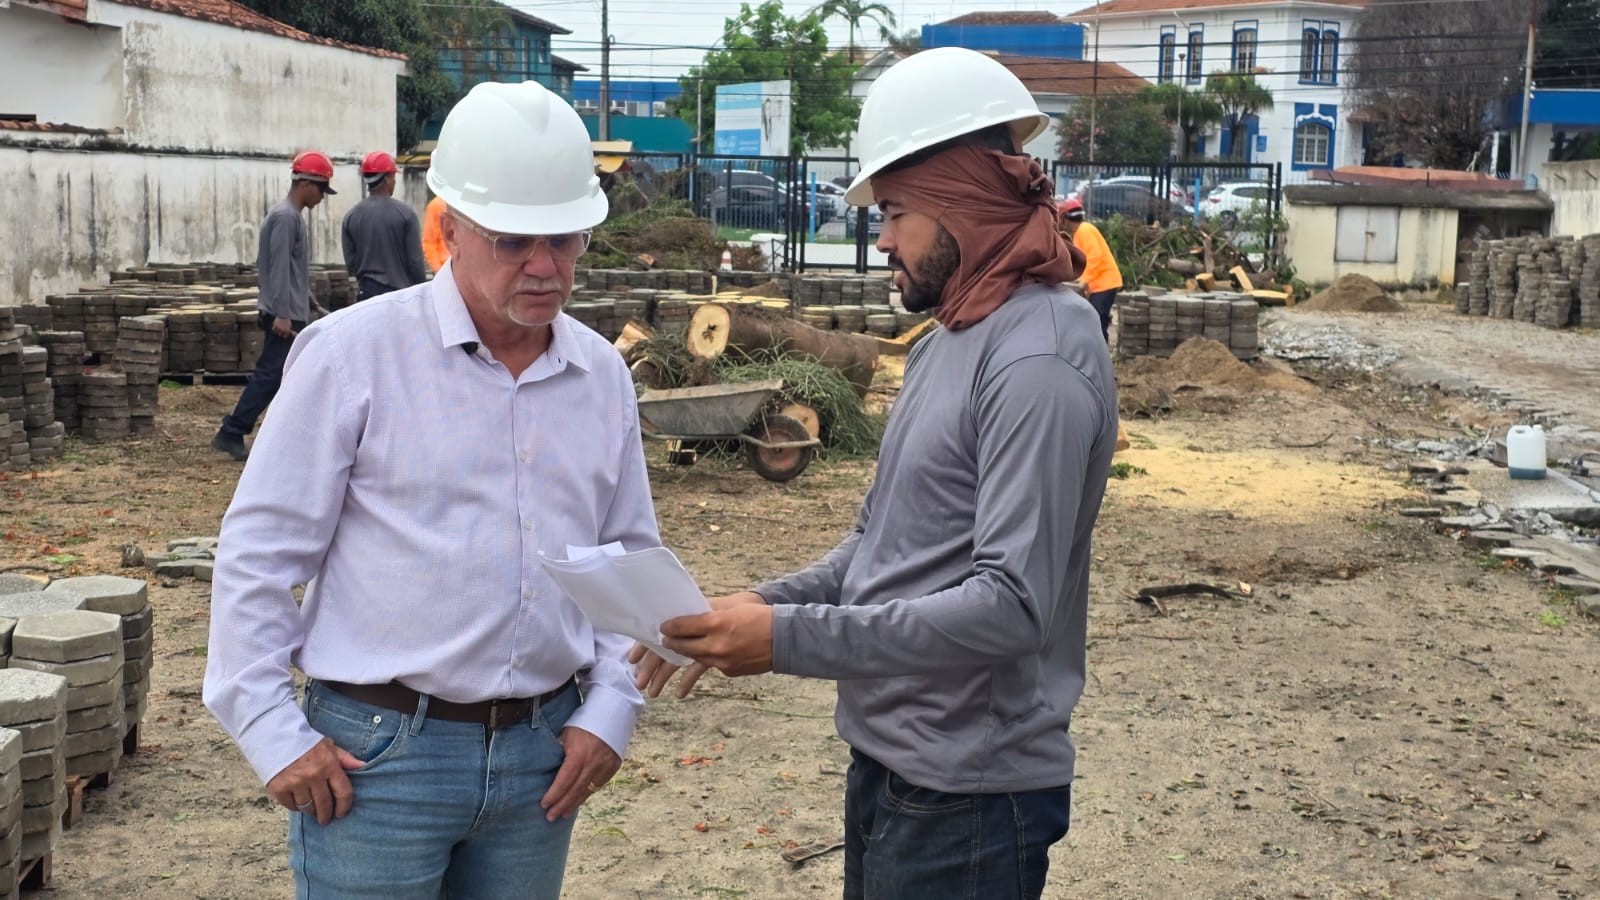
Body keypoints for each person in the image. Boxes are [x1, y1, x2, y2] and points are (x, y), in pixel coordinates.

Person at [632, 47, 1118, 900]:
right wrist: (764, 603)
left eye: (897, 210)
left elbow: (1013, 607)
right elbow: (881, 543)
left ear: (965, 204)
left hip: (969, 796)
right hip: (899, 768)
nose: (881, 235)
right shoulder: (951, 340)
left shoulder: (1038, 356)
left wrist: (787, 642)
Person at [203, 81, 658, 899]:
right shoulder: (352, 356)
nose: (547, 267)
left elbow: (627, 558)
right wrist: (271, 730)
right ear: (449, 228)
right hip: (376, 761)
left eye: (566, 239)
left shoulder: (598, 376)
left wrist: (609, 713)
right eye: (516, 240)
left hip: (541, 759)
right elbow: (261, 553)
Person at [211, 150, 335, 462]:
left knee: (291, 376)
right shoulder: (285, 217)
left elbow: (293, 271)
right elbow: (278, 267)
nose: (322, 197)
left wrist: (311, 304)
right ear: (305, 183)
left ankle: (285, 436)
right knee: (271, 375)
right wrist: (282, 312)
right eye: (321, 189)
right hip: (283, 316)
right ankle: (232, 431)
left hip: (291, 310)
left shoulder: (290, 217)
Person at [341, 151, 427, 301]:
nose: (394, 182)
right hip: (398, 297)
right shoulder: (406, 214)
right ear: (387, 179)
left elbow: (352, 265)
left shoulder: (351, 216)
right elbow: (415, 263)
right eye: (394, 177)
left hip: (365, 297)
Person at [1059, 197, 1123, 342]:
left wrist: (1084, 282)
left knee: (1098, 323)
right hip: (1100, 284)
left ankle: (1102, 357)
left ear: (1066, 219)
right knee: (1096, 322)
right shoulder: (1081, 232)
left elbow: (1095, 257)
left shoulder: (1084, 230)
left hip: (1105, 283)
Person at [422, 194, 449, 272]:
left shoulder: (467, 205)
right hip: (444, 267)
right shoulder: (436, 205)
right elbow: (429, 242)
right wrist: (438, 270)